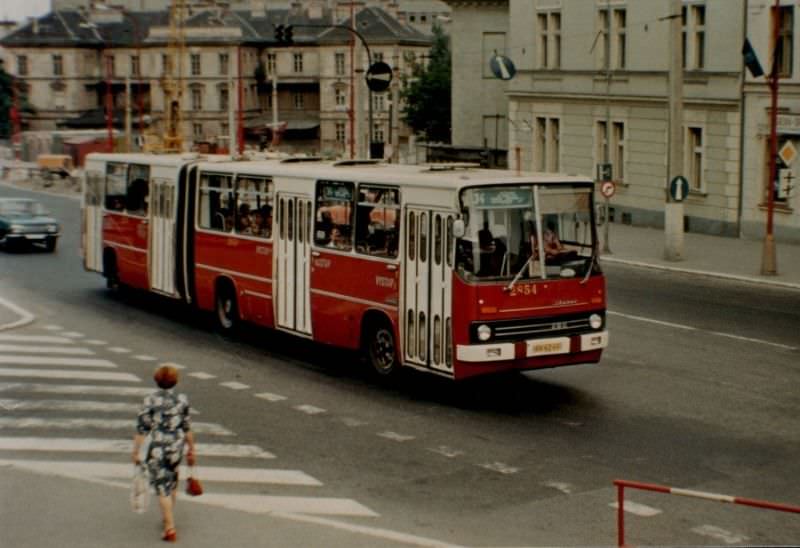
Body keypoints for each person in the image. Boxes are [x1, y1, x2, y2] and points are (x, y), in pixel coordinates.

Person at [132, 364, 196, 543]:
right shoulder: (182, 400)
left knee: (162, 489)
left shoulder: (150, 400)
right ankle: (168, 514)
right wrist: (192, 448)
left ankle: (170, 528)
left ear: (157, 380)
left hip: (158, 447)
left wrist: (136, 451)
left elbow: (142, 429)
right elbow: (187, 426)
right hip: (176, 445)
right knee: (172, 481)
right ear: (175, 381)